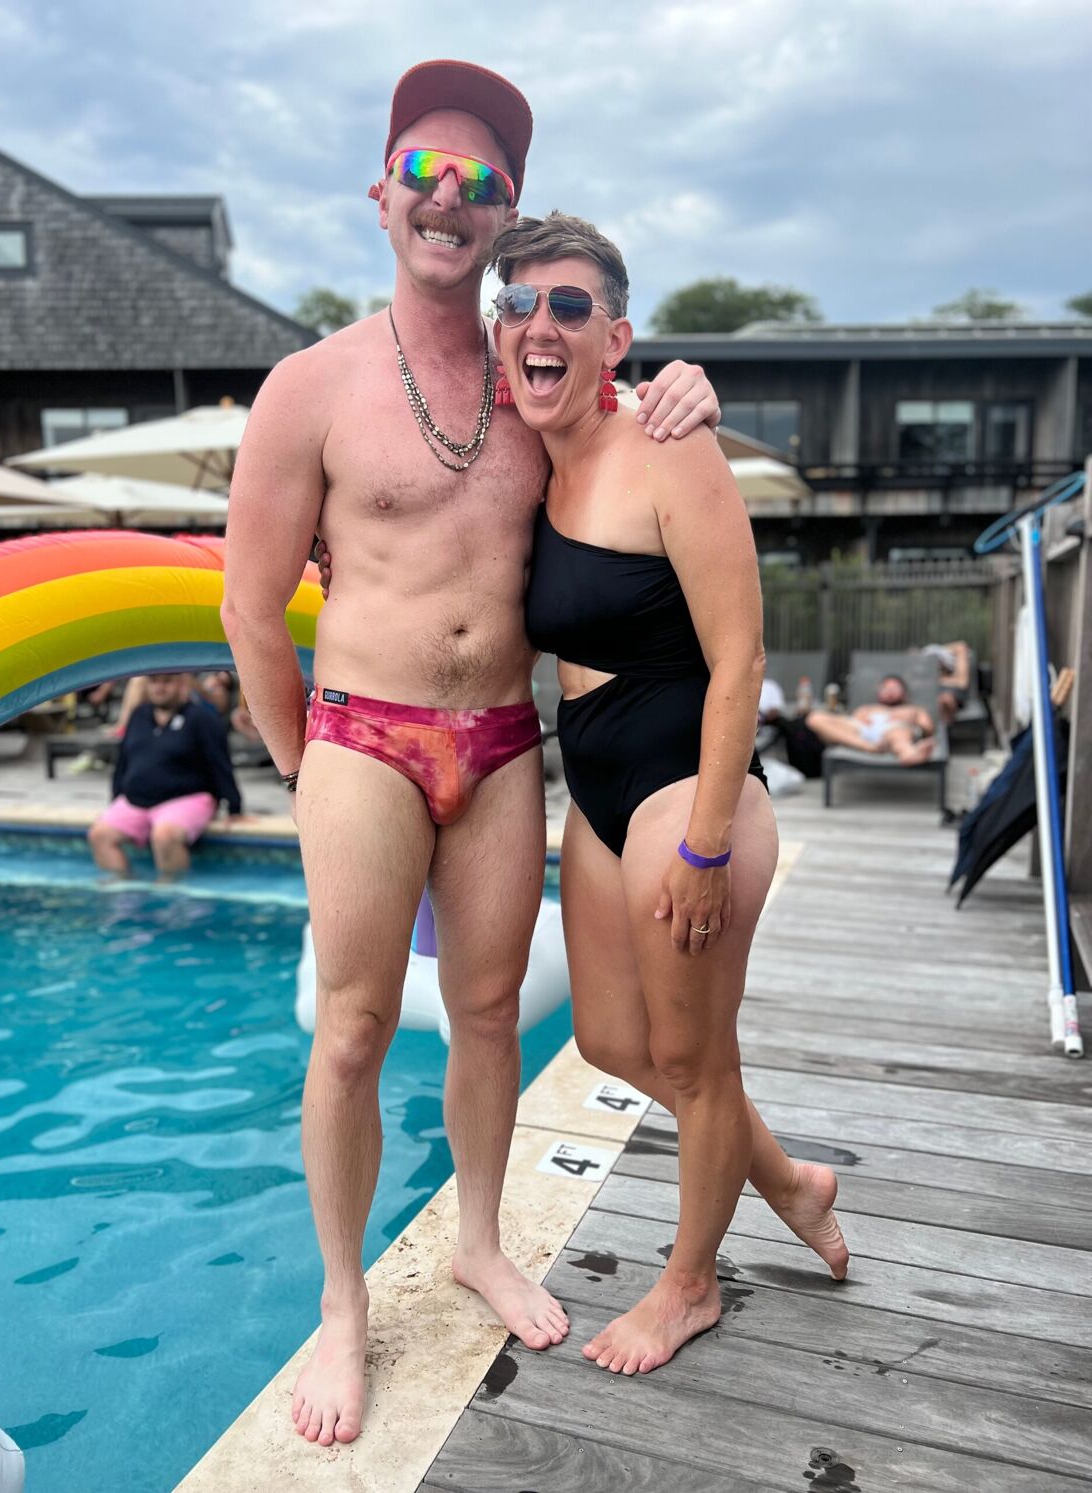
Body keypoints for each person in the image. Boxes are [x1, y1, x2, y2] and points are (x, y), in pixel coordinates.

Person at [221, 59, 730, 1449]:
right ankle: (342, 1302)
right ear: (382, 194)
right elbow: (250, 607)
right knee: (354, 1025)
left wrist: (691, 384)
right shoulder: (311, 387)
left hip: (504, 742)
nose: (448, 196)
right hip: (363, 738)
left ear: (503, 215)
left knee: (492, 1011)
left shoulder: (538, 383)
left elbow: (637, 431)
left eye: (479, 180)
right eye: (423, 170)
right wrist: (302, 767)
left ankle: (480, 1240)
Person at [481, 211, 847, 1378]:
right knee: (605, 1037)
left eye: (569, 305)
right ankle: (787, 1178)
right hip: (593, 776)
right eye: (519, 302)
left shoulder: (667, 441)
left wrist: (703, 843)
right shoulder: (527, 450)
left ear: (616, 336)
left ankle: (691, 1283)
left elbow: (742, 656)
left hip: (686, 780)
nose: (540, 323)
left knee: (694, 1059)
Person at [87, 673, 243, 878]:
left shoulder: (202, 719)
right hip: (137, 800)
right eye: (154, 682)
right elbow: (123, 760)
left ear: (182, 684)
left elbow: (220, 763)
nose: (159, 688)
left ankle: (171, 891)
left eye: (167, 682)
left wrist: (234, 807)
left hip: (187, 799)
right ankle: (121, 887)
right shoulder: (139, 715)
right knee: (99, 835)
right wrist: (116, 797)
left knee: (164, 836)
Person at [805, 674, 936, 766]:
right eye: (885, 688)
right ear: (879, 692)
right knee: (815, 718)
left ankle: (909, 754)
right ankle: (870, 748)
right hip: (862, 734)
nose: (890, 691)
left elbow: (928, 729)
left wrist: (909, 721)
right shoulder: (867, 708)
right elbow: (849, 722)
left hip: (895, 729)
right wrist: (860, 719)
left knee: (898, 734)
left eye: (895, 688)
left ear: (904, 693)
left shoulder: (914, 709)